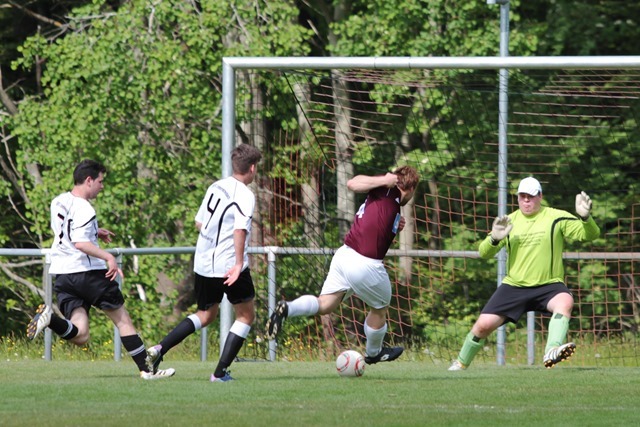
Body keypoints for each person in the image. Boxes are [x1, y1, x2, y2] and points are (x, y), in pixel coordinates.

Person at [26, 159, 175, 380]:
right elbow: (79, 243)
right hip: (88, 273)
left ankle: (51, 319)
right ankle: (147, 370)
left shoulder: (58, 201)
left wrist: (95, 232)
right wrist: (108, 257)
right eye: (100, 181)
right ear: (88, 180)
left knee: (81, 334)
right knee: (123, 320)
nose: (102, 186)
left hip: (63, 275)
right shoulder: (86, 208)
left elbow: (68, 233)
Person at [266, 165, 420, 365]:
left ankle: (287, 308)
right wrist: (385, 179)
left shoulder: (391, 203)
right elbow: (353, 183)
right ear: (410, 188)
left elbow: (375, 224)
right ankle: (374, 352)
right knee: (379, 309)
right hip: (364, 263)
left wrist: (395, 224)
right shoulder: (387, 189)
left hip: (344, 256)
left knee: (325, 305)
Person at [449, 177, 600, 371]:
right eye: (522, 196)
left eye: (531, 196)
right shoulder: (508, 222)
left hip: (549, 285)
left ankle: (551, 350)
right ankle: (460, 363)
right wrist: (494, 239)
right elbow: (484, 253)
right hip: (514, 286)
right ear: (518, 198)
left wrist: (586, 218)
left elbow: (591, 234)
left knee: (565, 302)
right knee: (482, 326)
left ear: (540, 196)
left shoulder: (556, 217)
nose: (526, 200)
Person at [146, 143, 262, 382]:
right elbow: (240, 230)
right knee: (246, 315)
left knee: (206, 314)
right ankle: (219, 374)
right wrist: (239, 263)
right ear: (252, 168)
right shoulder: (245, 195)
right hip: (229, 264)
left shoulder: (215, 186)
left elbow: (199, 223)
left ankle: (159, 350)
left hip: (203, 263)